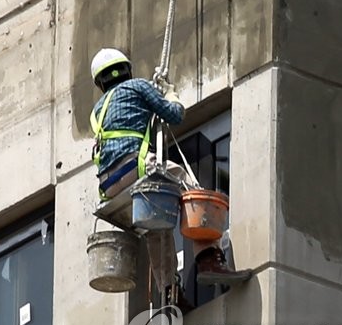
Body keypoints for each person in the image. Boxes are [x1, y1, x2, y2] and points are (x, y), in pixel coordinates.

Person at [89, 47, 247, 286]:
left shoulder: (96, 112)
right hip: (137, 166)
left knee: (156, 224)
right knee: (190, 189)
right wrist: (170, 94)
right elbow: (175, 115)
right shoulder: (138, 86)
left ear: (100, 82)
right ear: (126, 70)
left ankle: (170, 290)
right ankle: (208, 257)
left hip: (109, 186)